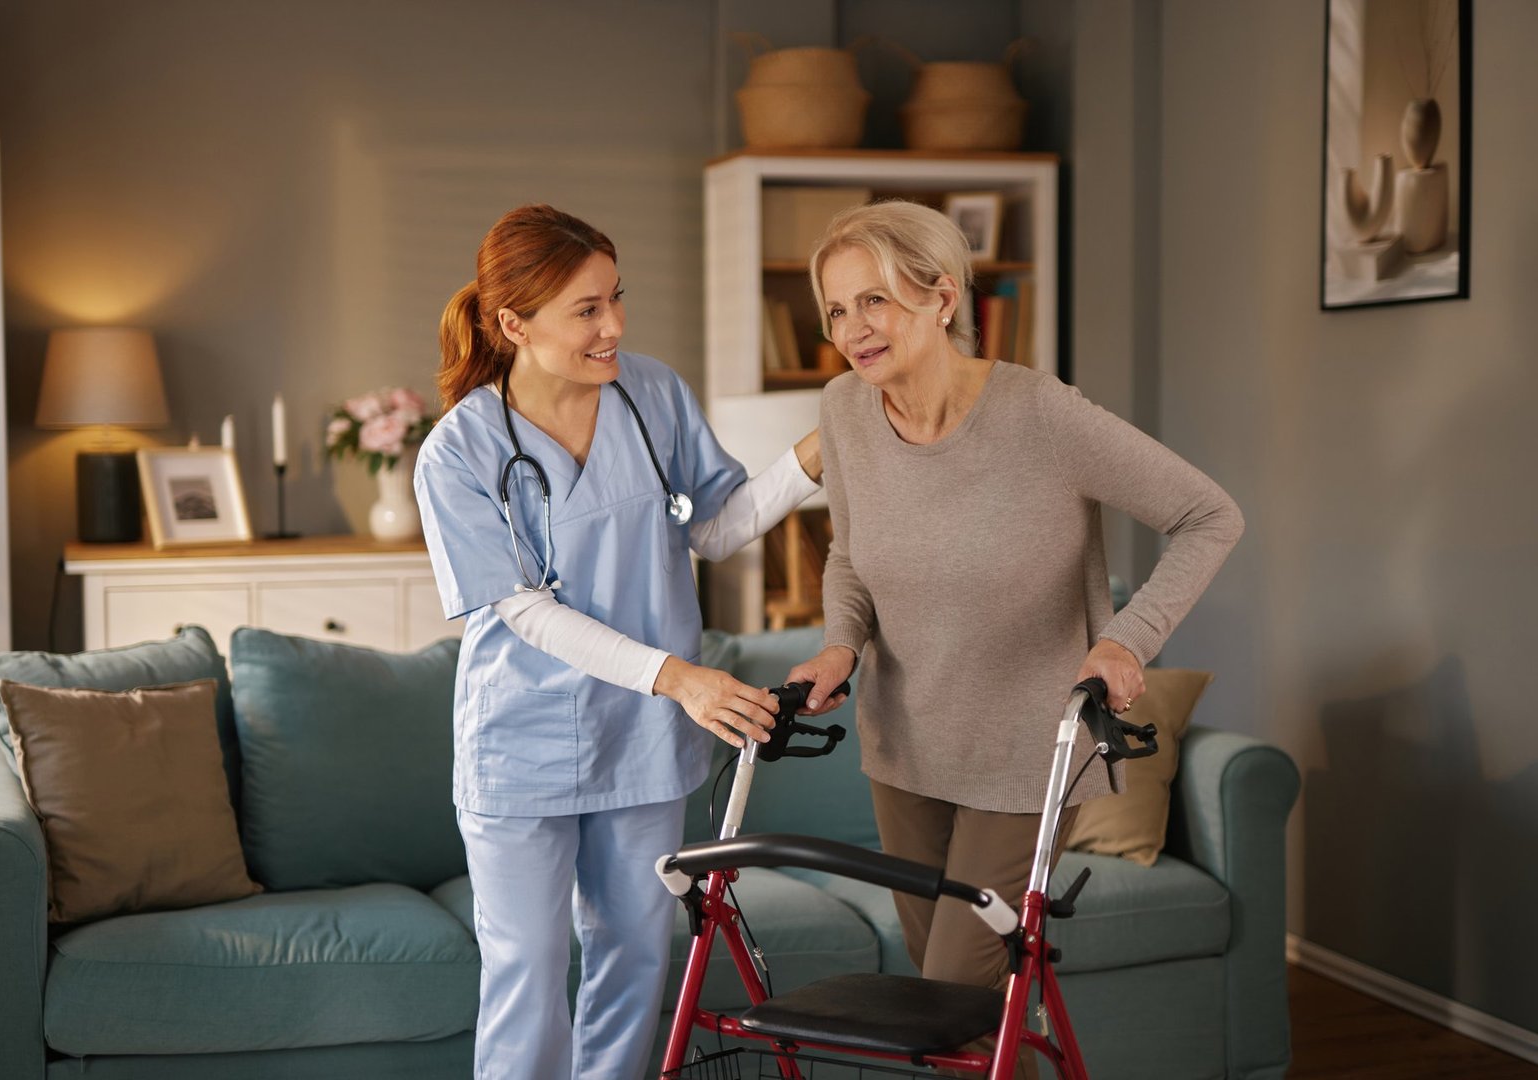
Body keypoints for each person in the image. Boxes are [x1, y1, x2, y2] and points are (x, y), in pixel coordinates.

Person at [787, 200, 1243, 1077]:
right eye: (837, 310)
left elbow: (1207, 514)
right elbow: (850, 552)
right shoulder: (845, 411)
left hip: (1024, 751)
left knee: (958, 991)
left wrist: (1126, 640)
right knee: (956, 1017)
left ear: (942, 297)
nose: (853, 330)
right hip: (902, 748)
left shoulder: (1041, 415)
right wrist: (841, 643)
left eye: (874, 301)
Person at [414, 204, 824, 1080]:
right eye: (587, 310)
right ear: (513, 324)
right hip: (521, 742)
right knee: (527, 974)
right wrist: (680, 678)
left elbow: (715, 527)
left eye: (616, 298)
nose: (616, 326)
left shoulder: (652, 393)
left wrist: (815, 457)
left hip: (640, 742)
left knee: (635, 964)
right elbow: (521, 610)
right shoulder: (460, 450)